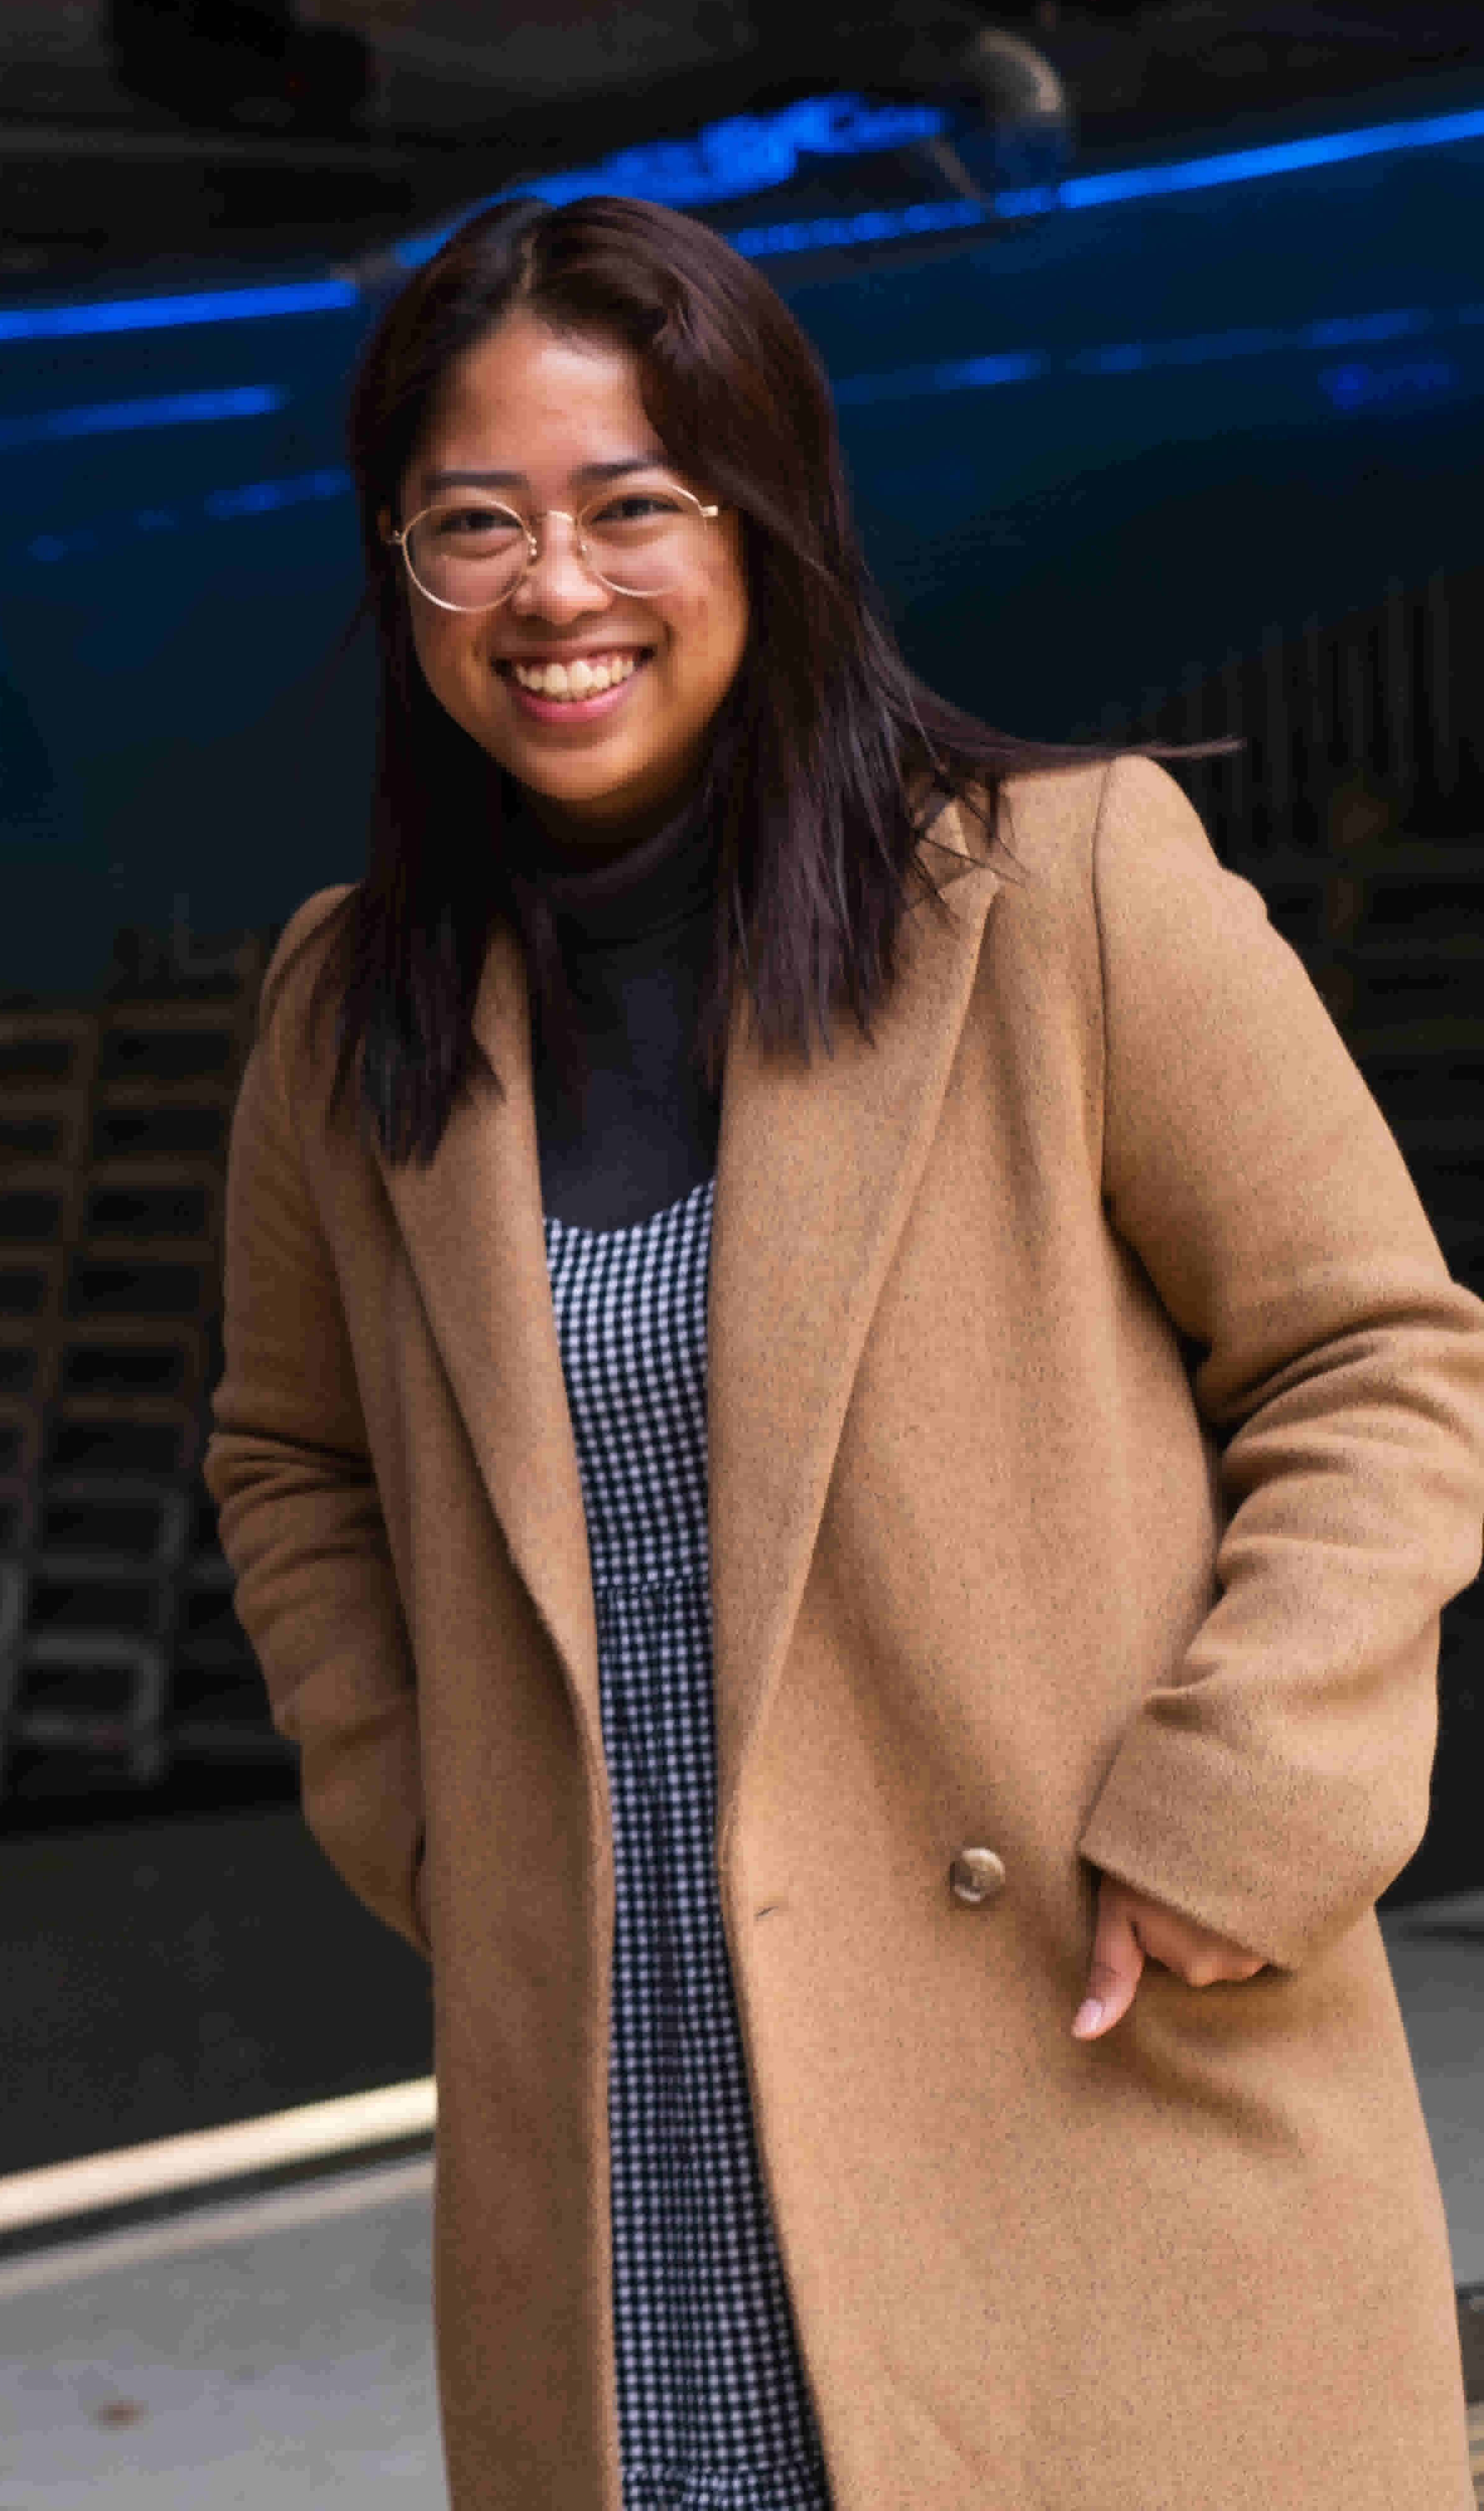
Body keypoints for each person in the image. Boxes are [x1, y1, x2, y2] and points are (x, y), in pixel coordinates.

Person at [205, 191, 1484, 2507]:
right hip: (619, 2132)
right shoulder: (344, 1005)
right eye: (470, 524)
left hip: (1081, 2068)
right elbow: (285, 1457)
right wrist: (431, 1819)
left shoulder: (1060, 888)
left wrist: (1246, 1799)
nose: (553, 590)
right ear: (398, 571)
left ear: (766, 527)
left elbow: (1380, 1362)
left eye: (630, 506)